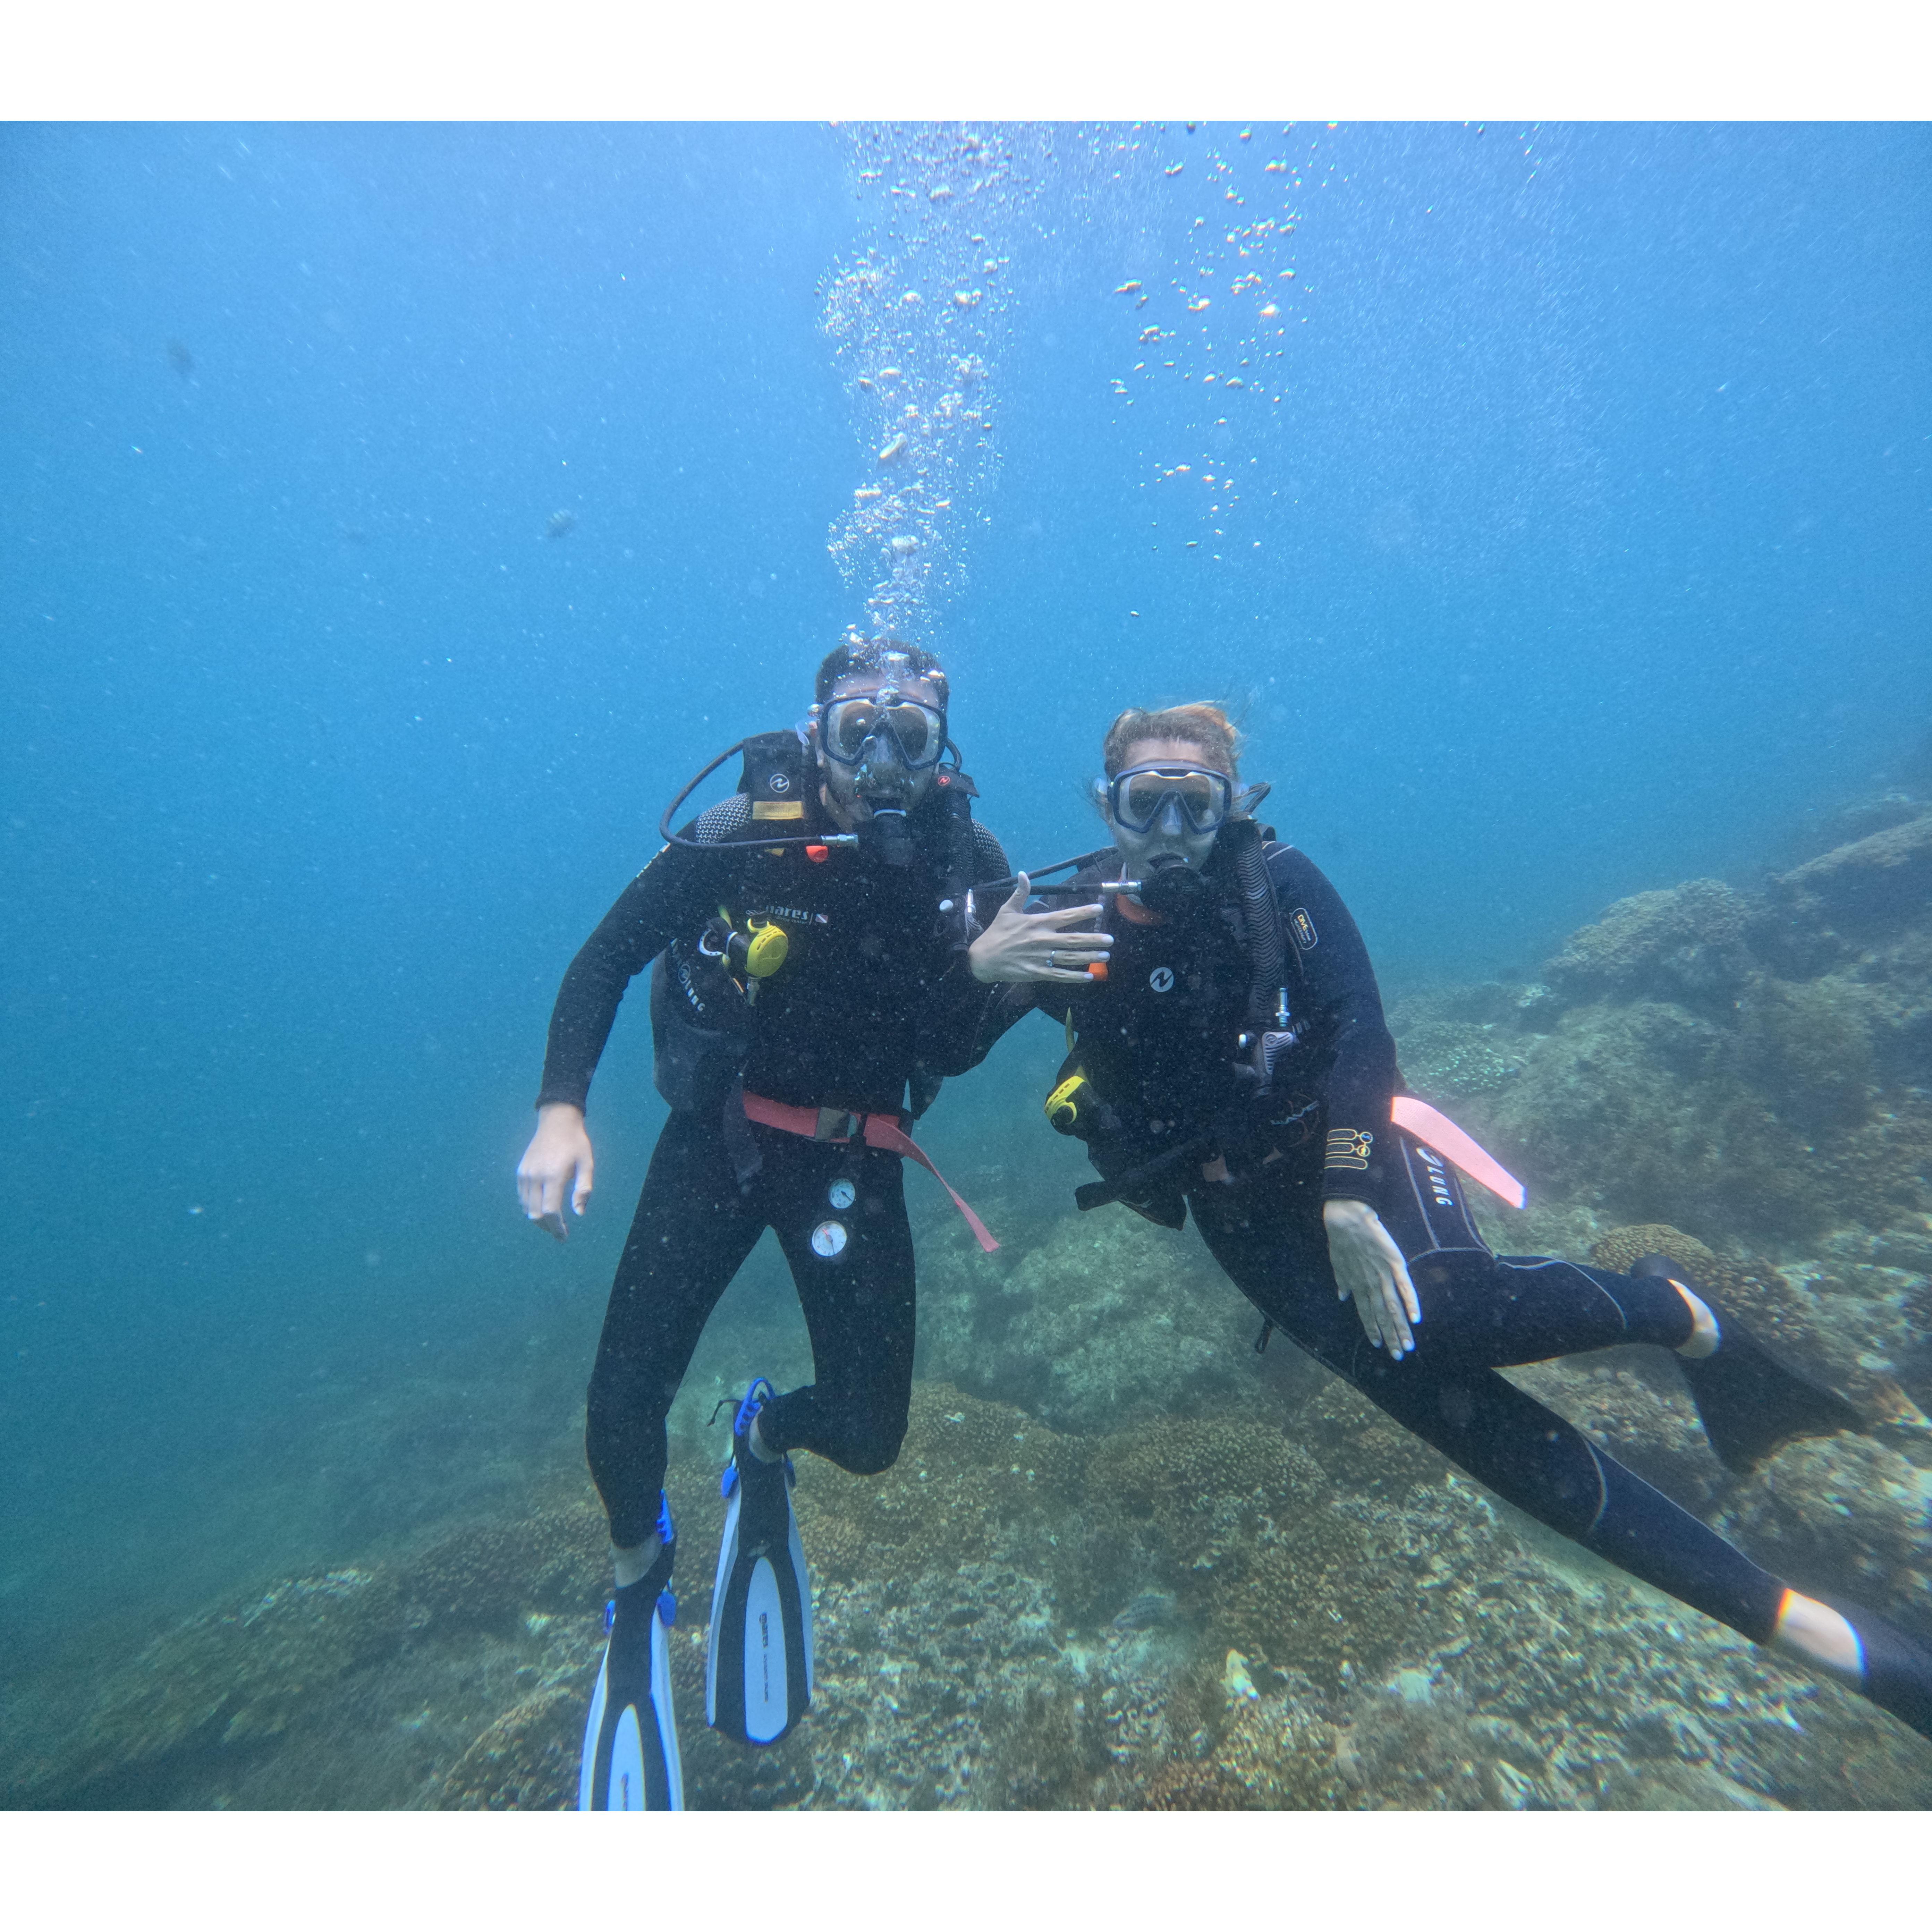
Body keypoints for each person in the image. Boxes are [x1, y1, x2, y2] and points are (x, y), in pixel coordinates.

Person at [966, 699, 1932, 1745]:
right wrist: (976, 972)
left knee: (1451, 1313)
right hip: (1236, 1215)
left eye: (1192, 806)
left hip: (1354, 1153)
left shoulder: (1276, 885)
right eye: (1143, 804)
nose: (1167, 833)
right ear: (1106, 809)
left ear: (1232, 807)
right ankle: (1815, 1633)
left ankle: (1676, 1307)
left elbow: (1361, 1032)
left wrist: (1343, 1190)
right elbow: (933, 1048)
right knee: (1444, 1412)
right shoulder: (1067, 922)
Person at [518, 638, 1072, 1810]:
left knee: (870, 1435)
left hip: (849, 1163)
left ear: (942, 751)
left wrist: (996, 976)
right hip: (718, 1144)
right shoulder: (738, 837)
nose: (883, 760)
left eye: (909, 739)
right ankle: (639, 1570)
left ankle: (761, 1438)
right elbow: (605, 958)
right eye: (859, 731)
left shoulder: (965, 861)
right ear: (815, 730)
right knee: (620, 1404)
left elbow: (945, 1053)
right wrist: (560, 1109)